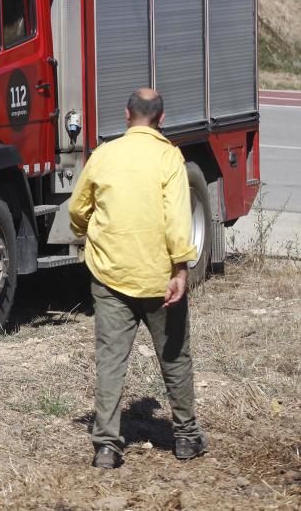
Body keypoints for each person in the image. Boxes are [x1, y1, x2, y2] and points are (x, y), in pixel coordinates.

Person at [68, 88, 207, 470]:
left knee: (111, 361)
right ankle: (185, 437)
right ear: (161, 119)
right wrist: (181, 269)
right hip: (160, 278)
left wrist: (85, 231)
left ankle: (107, 447)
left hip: (111, 275)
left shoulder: (105, 155)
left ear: (127, 114)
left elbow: (78, 209)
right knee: (175, 357)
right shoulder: (169, 157)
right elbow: (178, 218)